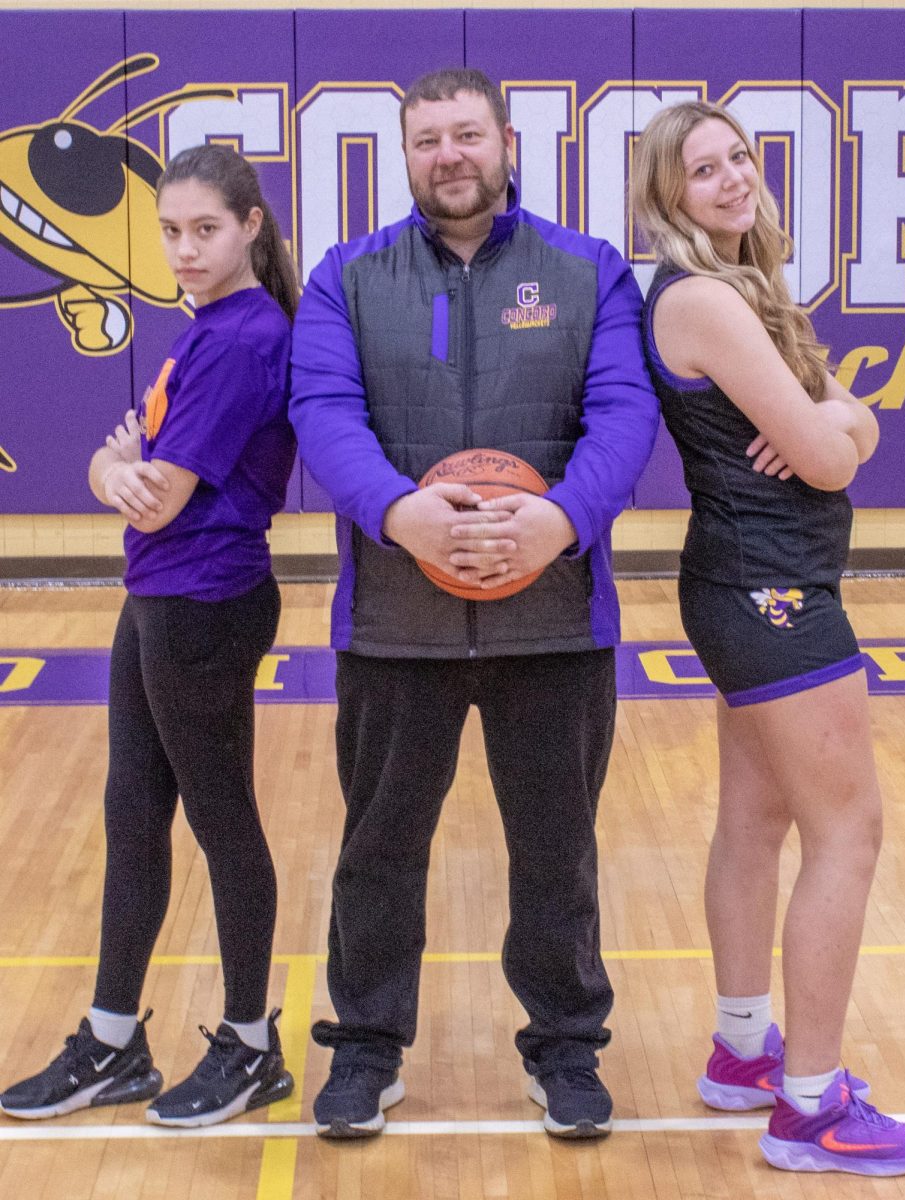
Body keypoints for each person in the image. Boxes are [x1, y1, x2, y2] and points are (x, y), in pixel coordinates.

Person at [290, 67, 659, 1140]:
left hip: (554, 620)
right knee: (379, 846)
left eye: (465, 136)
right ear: (404, 158)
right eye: (426, 142)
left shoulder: (587, 271)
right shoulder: (346, 277)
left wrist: (562, 522)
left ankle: (564, 1048)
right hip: (395, 625)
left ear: (505, 142)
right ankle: (364, 1045)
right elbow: (323, 410)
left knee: (557, 847)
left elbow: (624, 413)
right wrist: (399, 512)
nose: (448, 157)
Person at [632, 101, 905, 1177]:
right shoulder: (708, 299)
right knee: (848, 830)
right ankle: (811, 1104)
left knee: (757, 822)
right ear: (669, 198)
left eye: (738, 160)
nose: (729, 180)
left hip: (748, 584)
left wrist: (841, 421)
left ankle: (743, 1047)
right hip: (775, 594)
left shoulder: (735, 287)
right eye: (701, 170)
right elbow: (831, 453)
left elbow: (841, 426)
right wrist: (844, 425)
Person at [0, 145, 300, 1128]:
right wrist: (108, 470)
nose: (182, 249)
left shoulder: (246, 337)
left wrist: (123, 474)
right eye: (169, 231)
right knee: (133, 815)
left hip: (203, 602)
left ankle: (252, 1045)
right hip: (157, 598)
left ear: (251, 226)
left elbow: (155, 496)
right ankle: (114, 1040)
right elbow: (117, 468)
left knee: (221, 822)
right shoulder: (202, 332)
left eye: (204, 229)